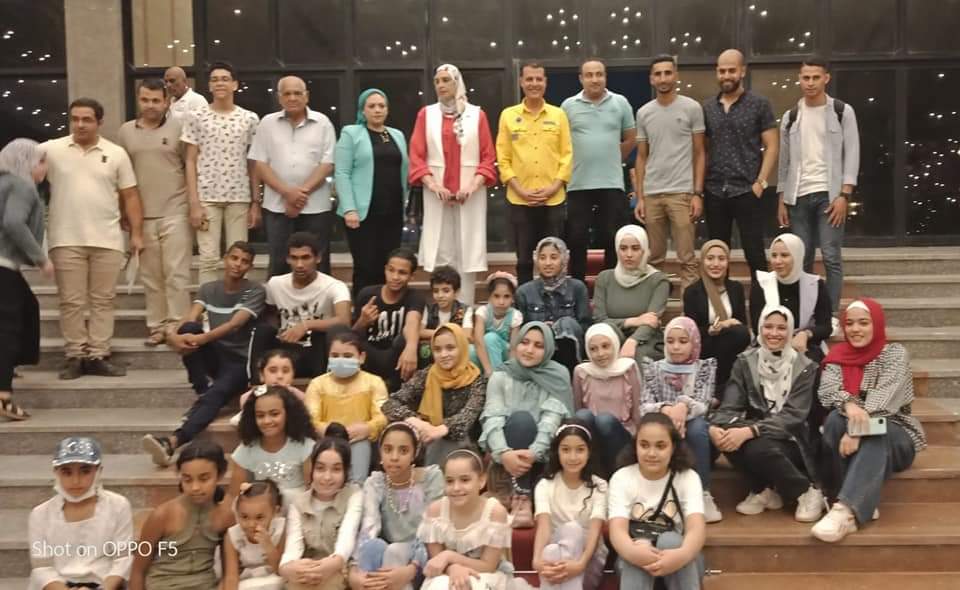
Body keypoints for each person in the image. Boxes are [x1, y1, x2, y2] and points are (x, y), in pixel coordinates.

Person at [43, 97, 144, 379]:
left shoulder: (116, 153)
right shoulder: (51, 150)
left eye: (87, 119)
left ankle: (98, 354)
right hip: (65, 238)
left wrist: (137, 234)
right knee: (71, 301)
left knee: (103, 300)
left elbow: (130, 195)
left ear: (99, 122)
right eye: (75, 119)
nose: (80, 124)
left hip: (107, 239)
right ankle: (76, 355)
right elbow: (15, 162)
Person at [813, 298, 926, 543]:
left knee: (877, 432)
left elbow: (884, 400)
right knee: (834, 420)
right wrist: (849, 404)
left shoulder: (894, 354)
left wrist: (856, 430)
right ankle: (859, 502)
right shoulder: (837, 355)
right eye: (849, 323)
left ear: (877, 324)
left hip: (896, 435)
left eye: (863, 323)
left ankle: (844, 509)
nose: (855, 329)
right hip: (851, 428)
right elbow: (827, 391)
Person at [143, 241, 265, 467]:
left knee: (216, 392)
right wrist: (173, 336)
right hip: (216, 355)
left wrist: (200, 339)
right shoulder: (209, 289)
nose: (238, 264)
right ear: (225, 259)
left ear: (250, 266)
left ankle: (172, 442)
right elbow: (190, 318)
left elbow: (234, 324)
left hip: (241, 363)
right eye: (234, 258)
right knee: (189, 329)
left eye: (244, 261)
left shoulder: (255, 290)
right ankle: (201, 389)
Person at [709, 306, 825, 523]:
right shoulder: (745, 361)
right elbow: (729, 407)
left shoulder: (805, 366)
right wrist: (716, 427)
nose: (774, 333)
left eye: (781, 328)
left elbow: (793, 417)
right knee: (726, 435)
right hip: (760, 433)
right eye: (768, 327)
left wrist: (751, 430)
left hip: (795, 439)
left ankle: (806, 491)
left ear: (791, 331)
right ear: (760, 329)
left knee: (755, 446)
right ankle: (764, 490)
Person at [118, 79, 198, 347]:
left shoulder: (180, 128)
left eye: (156, 100)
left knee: (176, 274)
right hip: (142, 215)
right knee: (151, 277)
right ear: (138, 100)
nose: (150, 105)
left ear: (166, 102)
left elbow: (191, 166)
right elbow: (121, 177)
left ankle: (176, 326)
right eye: (145, 100)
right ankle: (157, 326)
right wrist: (124, 212)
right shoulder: (125, 132)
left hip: (175, 209)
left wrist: (193, 205)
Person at [777, 57, 860, 313]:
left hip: (830, 195)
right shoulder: (791, 117)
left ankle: (830, 314)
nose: (810, 83)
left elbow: (853, 152)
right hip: (798, 196)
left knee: (831, 255)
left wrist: (844, 195)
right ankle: (805, 314)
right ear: (799, 79)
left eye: (815, 77)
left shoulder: (842, 111)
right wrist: (782, 199)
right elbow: (784, 161)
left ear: (826, 78)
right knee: (802, 258)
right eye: (806, 77)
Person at [409, 64, 497, 305]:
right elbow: (416, 156)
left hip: (469, 195)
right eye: (437, 81)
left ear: (457, 83)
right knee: (441, 251)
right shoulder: (426, 115)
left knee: (467, 252)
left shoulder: (476, 115)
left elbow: (488, 157)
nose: (440, 85)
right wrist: (433, 185)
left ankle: (465, 308)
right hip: (437, 195)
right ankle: (442, 310)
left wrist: (472, 186)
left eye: (446, 80)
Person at [480, 322, 573, 527]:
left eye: (539, 345)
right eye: (524, 342)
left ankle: (523, 498)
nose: (529, 350)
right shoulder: (501, 375)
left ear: (548, 349)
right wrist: (503, 453)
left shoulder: (557, 375)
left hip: (542, 458)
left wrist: (534, 452)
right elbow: (492, 418)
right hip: (507, 459)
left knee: (525, 421)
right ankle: (519, 498)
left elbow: (551, 420)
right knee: (520, 420)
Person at [181, 60, 260, 285]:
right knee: (208, 259)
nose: (219, 83)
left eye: (225, 79)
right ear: (209, 86)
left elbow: (253, 162)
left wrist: (256, 201)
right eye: (214, 80)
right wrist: (193, 202)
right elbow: (190, 160)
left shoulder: (249, 119)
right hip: (207, 197)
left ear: (235, 84)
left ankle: (238, 302)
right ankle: (206, 304)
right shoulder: (196, 116)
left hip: (239, 197)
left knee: (240, 258)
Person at [702, 49, 778, 282]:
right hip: (715, 190)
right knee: (716, 256)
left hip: (747, 190)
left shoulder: (759, 104)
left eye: (731, 70)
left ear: (742, 71)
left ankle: (763, 303)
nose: (726, 75)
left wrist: (760, 183)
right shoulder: (707, 108)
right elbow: (703, 150)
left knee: (755, 254)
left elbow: (772, 146)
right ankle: (720, 303)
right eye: (722, 71)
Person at [250, 76, 337, 278]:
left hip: (315, 207)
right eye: (287, 93)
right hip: (277, 207)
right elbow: (260, 164)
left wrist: (298, 195)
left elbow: (328, 164)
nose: (292, 98)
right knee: (279, 263)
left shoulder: (323, 123)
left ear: (307, 96)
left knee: (318, 264)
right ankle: (277, 301)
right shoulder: (267, 123)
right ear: (279, 97)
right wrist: (287, 193)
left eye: (297, 93)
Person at [608, 413, 706, 590]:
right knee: (639, 545)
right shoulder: (622, 477)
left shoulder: (688, 477)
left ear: (673, 447)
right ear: (635, 446)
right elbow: (617, 532)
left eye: (660, 446)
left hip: (680, 561)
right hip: (635, 562)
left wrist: (681, 555)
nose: (651, 453)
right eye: (644, 445)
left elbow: (696, 529)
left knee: (671, 540)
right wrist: (636, 553)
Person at [497, 62, 573, 284]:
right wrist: (520, 190)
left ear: (545, 82)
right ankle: (525, 302)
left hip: (553, 199)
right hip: (520, 199)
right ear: (521, 82)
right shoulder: (508, 115)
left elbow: (567, 155)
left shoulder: (558, 115)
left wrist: (553, 188)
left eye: (539, 79)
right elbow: (503, 158)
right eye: (529, 79)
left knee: (554, 258)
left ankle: (556, 300)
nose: (534, 84)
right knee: (524, 260)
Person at [639, 316, 721, 523]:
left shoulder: (704, 368)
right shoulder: (653, 368)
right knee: (654, 429)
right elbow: (644, 406)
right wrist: (667, 409)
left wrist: (683, 406)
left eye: (683, 341)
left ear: (694, 342)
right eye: (670, 341)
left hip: (695, 434)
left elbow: (703, 404)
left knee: (697, 426)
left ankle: (703, 493)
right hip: (663, 428)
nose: (676, 347)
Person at [633, 54, 705, 291]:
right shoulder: (644, 113)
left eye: (667, 73)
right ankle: (656, 308)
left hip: (682, 193)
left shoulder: (692, 108)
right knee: (653, 259)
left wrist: (697, 193)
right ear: (651, 79)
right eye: (658, 74)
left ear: (675, 75)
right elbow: (641, 157)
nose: (663, 78)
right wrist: (640, 197)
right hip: (652, 194)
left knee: (687, 258)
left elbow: (700, 153)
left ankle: (691, 309)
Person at [561, 59, 637, 281]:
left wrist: (611, 158)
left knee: (612, 238)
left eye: (599, 74)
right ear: (581, 78)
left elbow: (631, 139)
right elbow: (561, 144)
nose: (595, 79)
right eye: (589, 75)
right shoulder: (568, 106)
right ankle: (577, 288)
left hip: (612, 183)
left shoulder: (620, 103)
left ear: (605, 76)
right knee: (577, 239)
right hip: (578, 184)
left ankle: (610, 287)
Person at [28, 437, 134, 590]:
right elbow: (42, 567)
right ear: (56, 473)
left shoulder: (118, 506)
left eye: (85, 471)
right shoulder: (40, 514)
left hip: (105, 584)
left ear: (98, 471)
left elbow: (123, 559)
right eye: (67, 472)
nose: (76, 481)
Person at [349, 422, 445, 590]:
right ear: (380, 452)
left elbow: (431, 532)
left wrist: (411, 569)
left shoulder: (430, 479)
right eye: (388, 449)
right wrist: (355, 571)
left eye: (403, 451)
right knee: (373, 547)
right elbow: (369, 527)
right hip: (390, 560)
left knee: (396, 550)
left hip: (423, 558)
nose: (394, 457)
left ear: (414, 453)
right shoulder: (376, 482)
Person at [129, 440, 235, 590]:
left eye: (204, 479)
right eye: (187, 480)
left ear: (220, 475)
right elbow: (137, 571)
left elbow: (229, 572)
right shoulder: (163, 515)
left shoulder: (225, 517)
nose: (195, 487)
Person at [335, 88, 409, 296]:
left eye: (382, 106)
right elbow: (341, 173)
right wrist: (349, 208)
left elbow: (404, 171)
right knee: (366, 266)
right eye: (372, 106)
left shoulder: (397, 135)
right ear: (363, 110)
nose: (377, 110)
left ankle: (387, 311)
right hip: (361, 214)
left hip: (392, 213)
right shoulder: (351, 133)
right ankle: (363, 311)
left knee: (390, 266)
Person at [250, 232, 352, 380]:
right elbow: (270, 313)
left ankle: (322, 385)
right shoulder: (275, 283)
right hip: (285, 349)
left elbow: (344, 321)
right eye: (294, 258)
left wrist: (306, 325)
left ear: (318, 258)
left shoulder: (335, 286)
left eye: (305, 258)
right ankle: (256, 383)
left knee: (322, 335)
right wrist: (279, 331)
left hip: (316, 351)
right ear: (287, 259)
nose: (299, 265)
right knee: (262, 331)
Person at [383, 324, 488, 465]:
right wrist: (417, 422)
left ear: (462, 348)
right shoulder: (427, 374)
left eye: (450, 348)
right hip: (427, 439)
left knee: (444, 439)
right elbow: (390, 404)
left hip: (463, 446)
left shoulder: (476, 380)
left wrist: (439, 430)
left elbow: (467, 416)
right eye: (438, 349)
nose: (444, 355)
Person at [417, 449, 518, 590]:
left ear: (481, 480)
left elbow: (489, 566)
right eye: (449, 481)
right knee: (441, 585)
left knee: (468, 585)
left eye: (465, 480)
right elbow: (437, 561)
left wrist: (450, 556)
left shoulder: (495, 512)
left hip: (486, 573)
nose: (456, 488)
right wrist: (453, 568)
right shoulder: (435, 511)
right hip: (445, 572)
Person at [0, 138, 50, 420]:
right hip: (3, 265)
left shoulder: (3, 182)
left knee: (29, 307)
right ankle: (3, 396)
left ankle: (8, 365)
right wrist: (41, 258)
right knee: (8, 327)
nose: (44, 167)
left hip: (7, 266)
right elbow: (13, 222)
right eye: (41, 161)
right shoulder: (22, 185)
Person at [279, 430, 364, 590]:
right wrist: (288, 568)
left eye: (336, 469)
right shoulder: (298, 503)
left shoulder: (354, 495)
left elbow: (346, 541)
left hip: (339, 568)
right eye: (320, 468)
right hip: (307, 570)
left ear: (346, 472)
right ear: (312, 469)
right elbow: (292, 549)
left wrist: (328, 566)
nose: (327, 477)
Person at [304, 329, 389, 482]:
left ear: (361, 357)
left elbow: (382, 415)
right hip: (327, 439)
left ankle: (357, 487)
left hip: (361, 440)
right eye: (335, 356)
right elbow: (311, 418)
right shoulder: (317, 384)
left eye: (348, 356)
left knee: (361, 444)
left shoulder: (374, 382)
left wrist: (368, 428)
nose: (341, 360)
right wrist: (329, 430)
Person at [531, 420, 608, 590]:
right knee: (550, 551)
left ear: (589, 452)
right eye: (566, 450)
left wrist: (580, 564)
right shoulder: (545, 485)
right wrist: (536, 559)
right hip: (555, 557)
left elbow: (595, 530)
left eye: (580, 450)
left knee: (573, 529)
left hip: (588, 560)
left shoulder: (600, 485)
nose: (573, 457)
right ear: (557, 452)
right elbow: (544, 527)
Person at [573, 323, 643, 478]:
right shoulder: (581, 371)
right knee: (582, 415)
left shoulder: (628, 367)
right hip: (592, 437)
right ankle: (588, 471)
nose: (600, 353)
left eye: (605, 346)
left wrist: (640, 441)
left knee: (604, 420)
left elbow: (638, 410)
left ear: (615, 344)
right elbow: (577, 409)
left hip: (622, 434)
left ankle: (616, 473)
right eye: (593, 349)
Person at [592, 225, 670, 363]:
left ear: (644, 250)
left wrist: (633, 341)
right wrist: (634, 321)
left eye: (635, 248)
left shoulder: (658, 280)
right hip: (610, 338)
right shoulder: (604, 278)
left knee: (637, 356)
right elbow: (599, 320)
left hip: (648, 339)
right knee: (605, 346)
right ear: (617, 250)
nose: (629, 254)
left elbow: (651, 322)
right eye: (623, 248)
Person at [750, 233, 832, 363]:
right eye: (774, 255)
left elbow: (826, 327)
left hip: (803, 345)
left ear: (797, 256)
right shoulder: (761, 284)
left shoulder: (815, 284)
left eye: (784, 255)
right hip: (770, 343)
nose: (778, 261)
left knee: (810, 362)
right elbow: (757, 327)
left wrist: (805, 334)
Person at [230, 385, 317, 507]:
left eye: (274, 414)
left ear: (289, 414)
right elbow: (233, 496)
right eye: (260, 415)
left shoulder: (305, 447)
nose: (267, 421)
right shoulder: (246, 449)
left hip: (299, 510)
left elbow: (313, 493)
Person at [682, 239, 750, 391]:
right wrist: (711, 329)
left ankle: (719, 389)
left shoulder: (736, 288)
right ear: (702, 261)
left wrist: (725, 326)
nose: (715, 264)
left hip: (731, 344)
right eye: (710, 258)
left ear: (727, 262)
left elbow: (742, 324)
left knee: (739, 334)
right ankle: (722, 389)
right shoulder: (692, 292)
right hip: (705, 345)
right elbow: (691, 331)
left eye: (721, 259)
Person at [515, 237, 591, 373]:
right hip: (537, 350)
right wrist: (543, 330)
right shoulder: (524, 292)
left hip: (569, 352)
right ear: (536, 260)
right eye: (542, 258)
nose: (548, 263)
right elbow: (520, 331)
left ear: (564, 259)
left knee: (567, 323)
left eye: (554, 257)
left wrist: (558, 329)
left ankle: (567, 375)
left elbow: (585, 326)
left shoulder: (577, 288)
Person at [352, 248, 424, 391]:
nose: (395, 277)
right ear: (385, 269)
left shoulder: (415, 297)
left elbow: (413, 322)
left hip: (396, 359)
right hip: (368, 356)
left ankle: (398, 392)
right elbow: (352, 335)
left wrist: (411, 348)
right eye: (391, 270)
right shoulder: (367, 294)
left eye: (402, 273)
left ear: (412, 276)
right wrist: (362, 321)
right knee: (339, 332)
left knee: (408, 341)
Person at [222, 480, 286, 590]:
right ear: (237, 512)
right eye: (244, 517)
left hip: (276, 581)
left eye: (259, 517)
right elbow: (231, 576)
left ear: (275, 512)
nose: (251, 524)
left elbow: (281, 570)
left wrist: (268, 546)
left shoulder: (280, 529)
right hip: (248, 583)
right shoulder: (232, 535)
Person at [231, 350, 307, 427]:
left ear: (293, 374)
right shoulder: (252, 396)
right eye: (273, 371)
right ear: (261, 375)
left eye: (285, 371)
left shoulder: (299, 397)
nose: (280, 376)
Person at [419, 265, 473, 367]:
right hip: (434, 347)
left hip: (454, 348)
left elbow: (467, 335)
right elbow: (420, 332)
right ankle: (428, 374)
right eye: (436, 291)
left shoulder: (464, 310)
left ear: (456, 292)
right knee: (424, 349)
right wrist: (441, 333)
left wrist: (442, 336)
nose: (440, 295)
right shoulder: (429, 309)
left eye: (446, 291)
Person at [470, 272, 522, 376]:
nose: (501, 302)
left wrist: (511, 370)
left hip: (504, 356)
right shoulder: (483, 312)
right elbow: (479, 342)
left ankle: (498, 377)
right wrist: (487, 369)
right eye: (496, 296)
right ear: (489, 297)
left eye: (506, 296)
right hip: (485, 355)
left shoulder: (515, 315)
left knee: (491, 338)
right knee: (469, 351)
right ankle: (481, 376)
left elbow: (513, 348)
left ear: (512, 298)